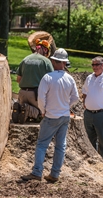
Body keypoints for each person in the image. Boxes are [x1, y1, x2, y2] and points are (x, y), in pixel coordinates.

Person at [21, 48, 79, 182]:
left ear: (53, 61)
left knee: (42, 144)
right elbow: (75, 98)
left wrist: (43, 110)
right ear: (65, 63)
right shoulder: (70, 79)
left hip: (51, 116)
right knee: (60, 146)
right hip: (64, 116)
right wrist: (66, 106)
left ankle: (37, 172)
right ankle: (55, 174)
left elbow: (41, 98)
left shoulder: (47, 78)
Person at [12, 39, 54, 124]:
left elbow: (18, 80)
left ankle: (20, 108)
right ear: (45, 50)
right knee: (42, 115)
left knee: (25, 106)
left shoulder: (25, 59)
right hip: (35, 94)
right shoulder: (46, 62)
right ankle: (28, 109)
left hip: (22, 93)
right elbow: (52, 81)